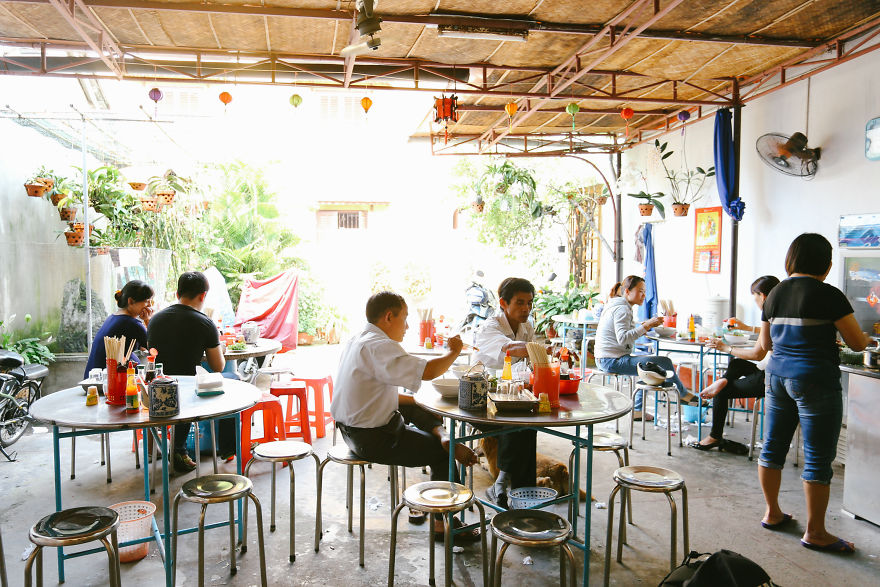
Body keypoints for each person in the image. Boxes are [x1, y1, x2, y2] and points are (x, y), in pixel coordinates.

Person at [331, 291, 480, 541]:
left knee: (415, 403)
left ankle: (442, 434)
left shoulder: (360, 338)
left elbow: (393, 394)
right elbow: (429, 371)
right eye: (405, 318)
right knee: (444, 454)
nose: (408, 326)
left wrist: (425, 409)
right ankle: (442, 524)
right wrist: (453, 351)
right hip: (372, 438)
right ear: (389, 317)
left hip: (350, 430)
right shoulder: (378, 345)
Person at [758, 233, 871, 553]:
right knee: (819, 458)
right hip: (815, 380)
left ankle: (773, 512)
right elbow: (857, 344)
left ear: (791, 260)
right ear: (827, 264)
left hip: (777, 378)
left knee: (772, 448)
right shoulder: (830, 295)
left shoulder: (775, 293)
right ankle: (816, 531)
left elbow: (765, 345)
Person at [147, 271, 229, 473]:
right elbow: (218, 366)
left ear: (177, 294)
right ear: (203, 296)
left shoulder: (155, 320)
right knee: (226, 384)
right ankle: (186, 451)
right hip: (185, 394)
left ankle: (160, 449)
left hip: (154, 392)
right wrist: (221, 349)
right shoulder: (204, 323)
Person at [692, 275, 780, 450]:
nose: (755, 301)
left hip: (769, 378)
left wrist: (725, 348)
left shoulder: (770, 313)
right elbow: (765, 332)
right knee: (737, 364)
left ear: (762, 296)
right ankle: (722, 380)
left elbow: (756, 354)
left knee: (722, 393)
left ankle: (714, 437)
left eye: (754, 297)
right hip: (773, 370)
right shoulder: (780, 312)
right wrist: (747, 328)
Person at [474, 277, 540, 507]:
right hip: (481, 400)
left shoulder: (526, 328)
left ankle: (521, 494)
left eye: (530, 303)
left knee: (528, 426)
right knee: (519, 424)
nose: (526, 309)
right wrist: (541, 351)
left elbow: (531, 366)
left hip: (511, 396)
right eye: (520, 302)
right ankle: (505, 485)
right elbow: (510, 350)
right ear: (503, 302)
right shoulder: (490, 327)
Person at [594, 275, 696, 421]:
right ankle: (683, 394)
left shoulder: (619, 305)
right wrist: (646, 326)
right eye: (640, 291)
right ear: (627, 291)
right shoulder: (622, 309)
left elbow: (624, 331)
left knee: (649, 368)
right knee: (664, 362)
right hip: (611, 360)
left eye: (645, 291)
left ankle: (637, 409)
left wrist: (645, 324)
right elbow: (622, 338)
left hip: (609, 357)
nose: (644, 295)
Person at [84, 280, 154, 376]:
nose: (150, 306)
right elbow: (153, 349)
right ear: (131, 301)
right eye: (147, 301)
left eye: (151, 301)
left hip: (93, 376)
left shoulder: (113, 317)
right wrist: (147, 319)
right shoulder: (132, 323)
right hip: (107, 380)